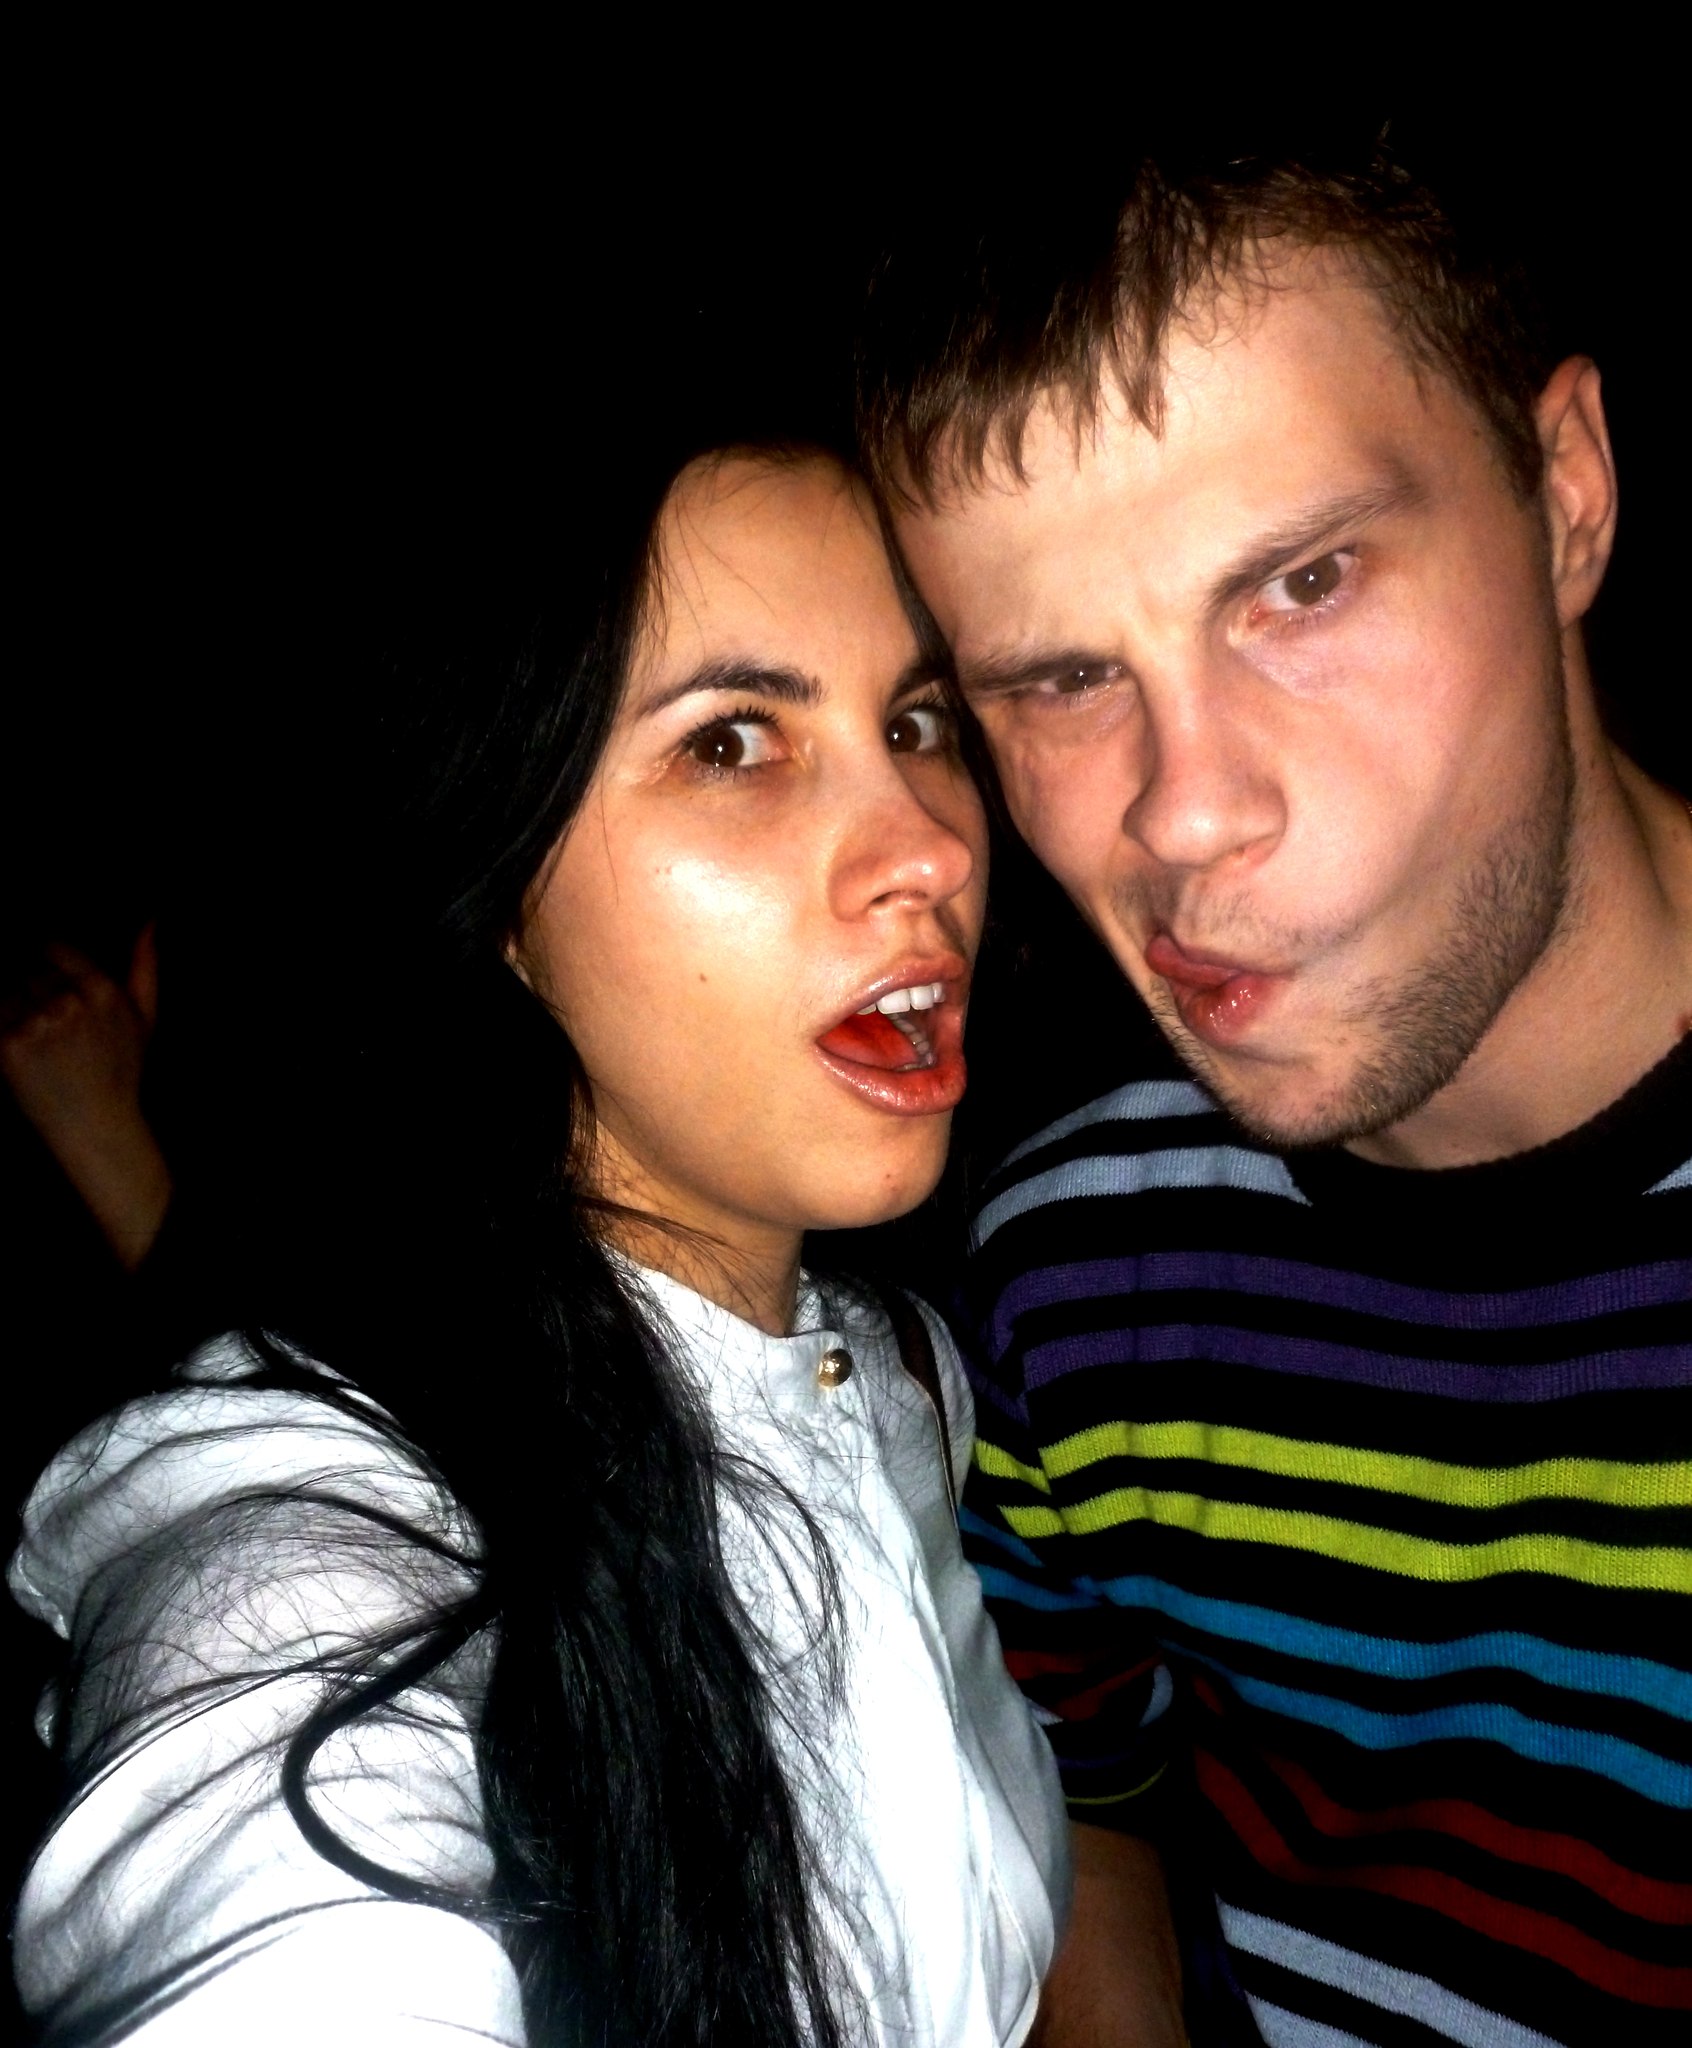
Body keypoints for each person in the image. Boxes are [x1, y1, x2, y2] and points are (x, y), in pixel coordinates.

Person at [7, 426, 1069, 2044]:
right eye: (733, 743)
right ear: (502, 881)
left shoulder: (910, 1376)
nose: (932, 846)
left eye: (916, 721)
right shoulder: (309, 1549)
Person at [856, 144, 1692, 2045]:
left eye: (1301, 585)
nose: (1183, 811)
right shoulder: (1066, 1271)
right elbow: (1086, 1800)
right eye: (1060, 679)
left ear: (1566, 494)